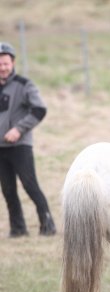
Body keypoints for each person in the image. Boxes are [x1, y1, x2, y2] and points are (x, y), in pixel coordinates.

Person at [0, 41, 56, 237]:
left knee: (30, 185)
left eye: (5, 63)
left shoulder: (24, 85)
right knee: (8, 190)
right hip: (1, 148)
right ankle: (18, 230)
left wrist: (18, 129)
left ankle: (48, 225)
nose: (2, 68)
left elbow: (39, 109)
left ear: (13, 62)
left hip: (20, 146)